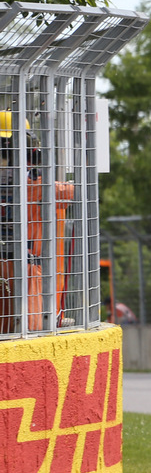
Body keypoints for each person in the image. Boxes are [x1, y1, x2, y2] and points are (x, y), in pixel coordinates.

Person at [0, 111, 73, 334]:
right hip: (22, 265)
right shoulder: (33, 182)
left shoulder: (31, 181)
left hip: (21, 264)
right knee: (23, 327)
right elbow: (67, 191)